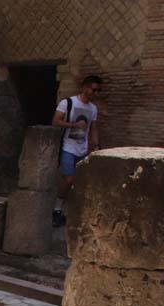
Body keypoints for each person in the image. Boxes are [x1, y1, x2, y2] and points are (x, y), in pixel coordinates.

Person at [51, 75, 103, 226]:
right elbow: (55, 121)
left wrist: (96, 145)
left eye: (99, 90)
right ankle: (57, 208)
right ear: (85, 88)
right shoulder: (67, 103)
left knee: (77, 182)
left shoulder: (93, 108)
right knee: (69, 180)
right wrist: (74, 124)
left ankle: (66, 212)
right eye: (94, 89)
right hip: (68, 147)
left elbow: (94, 128)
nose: (96, 93)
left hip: (82, 149)